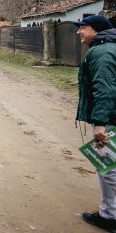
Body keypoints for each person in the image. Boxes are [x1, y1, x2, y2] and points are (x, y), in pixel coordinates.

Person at [74, 15, 116, 231]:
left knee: (108, 168)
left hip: (109, 121)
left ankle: (110, 216)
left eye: (83, 28)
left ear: (97, 30)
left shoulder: (101, 53)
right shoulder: (110, 48)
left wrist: (100, 123)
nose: (79, 32)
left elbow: (105, 90)